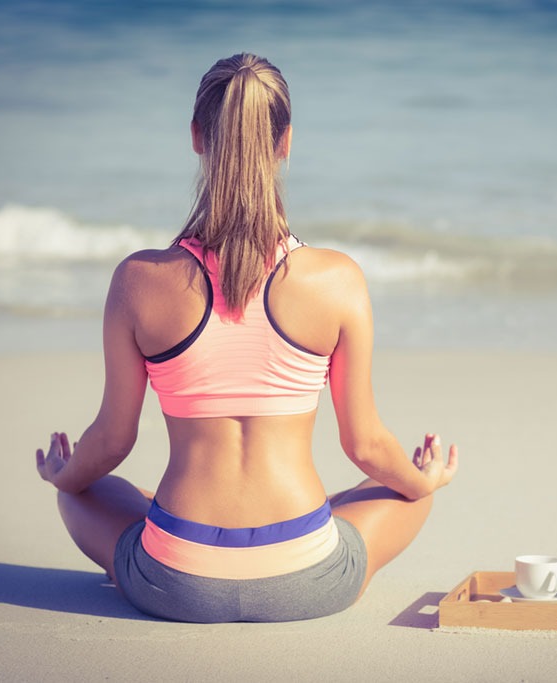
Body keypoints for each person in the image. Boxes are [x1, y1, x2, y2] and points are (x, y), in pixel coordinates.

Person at [34, 53, 458, 623]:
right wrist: (425, 478)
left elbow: (111, 442)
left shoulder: (138, 281)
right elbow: (365, 446)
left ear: (195, 137)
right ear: (286, 143)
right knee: (407, 493)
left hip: (173, 580)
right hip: (306, 575)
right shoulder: (336, 280)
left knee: (81, 490)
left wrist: (64, 474)